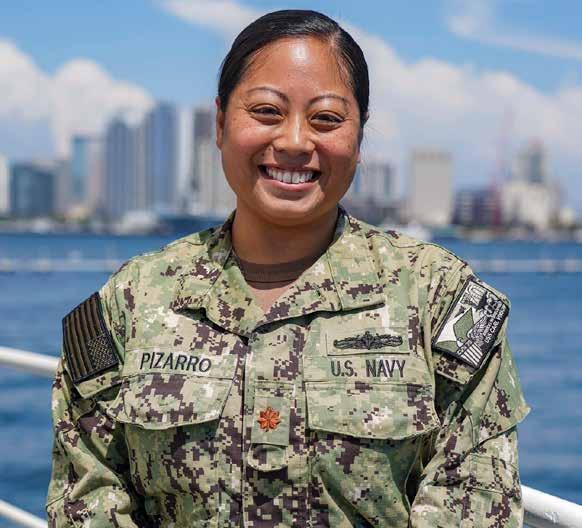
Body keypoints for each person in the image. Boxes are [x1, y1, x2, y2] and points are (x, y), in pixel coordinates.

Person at [46, 9, 529, 528]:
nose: (296, 141)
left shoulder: (439, 299)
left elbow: (475, 500)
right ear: (220, 123)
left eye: (326, 119)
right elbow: (89, 497)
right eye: (267, 111)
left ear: (359, 136)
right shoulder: (132, 300)